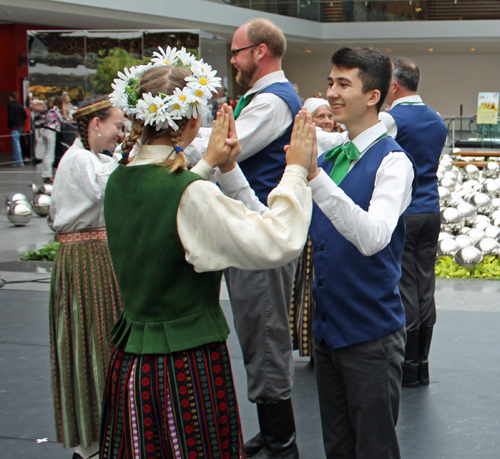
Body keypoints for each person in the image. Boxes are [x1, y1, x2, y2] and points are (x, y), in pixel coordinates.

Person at [100, 49, 314, 459]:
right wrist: (297, 170)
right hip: (184, 367)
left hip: (132, 366)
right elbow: (278, 240)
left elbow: (166, 209)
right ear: (193, 121)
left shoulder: (119, 180)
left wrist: (217, 166)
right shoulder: (189, 193)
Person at [185, 18, 303, 459]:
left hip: (259, 234)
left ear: (259, 51)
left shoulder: (272, 102)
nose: (232, 60)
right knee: (257, 331)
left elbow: (226, 150)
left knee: (265, 331)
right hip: (250, 233)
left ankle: (281, 442)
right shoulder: (266, 98)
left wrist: (174, 146)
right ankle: (273, 432)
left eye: (236, 51)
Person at [307, 47, 416, 459]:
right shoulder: (333, 156)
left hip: (371, 333)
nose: (331, 93)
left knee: (375, 449)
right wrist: (227, 172)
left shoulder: (394, 163)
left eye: (343, 84)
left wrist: (316, 178)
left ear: (373, 96)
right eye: (331, 82)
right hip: (328, 330)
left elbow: (373, 237)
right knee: (337, 447)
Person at [49, 94, 125, 459]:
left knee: (99, 339)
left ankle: (99, 435)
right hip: (85, 258)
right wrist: (129, 154)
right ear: (96, 124)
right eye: (117, 126)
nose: (120, 134)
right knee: (93, 341)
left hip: (92, 255)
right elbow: (104, 189)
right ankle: (93, 441)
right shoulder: (80, 158)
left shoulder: (85, 157)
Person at [380, 57, 448, 388]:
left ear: (395, 85)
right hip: (431, 209)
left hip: (405, 210)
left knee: (406, 285)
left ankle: (408, 364)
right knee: (425, 285)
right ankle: (421, 365)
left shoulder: (390, 119)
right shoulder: (437, 119)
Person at [36, 95, 65, 182]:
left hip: (45, 130)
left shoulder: (49, 110)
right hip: (51, 131)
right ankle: (47, 174)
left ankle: (45, 173)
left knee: (47, 153)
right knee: (50, 153)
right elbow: (62, 120)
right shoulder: (56, 110)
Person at [7, 91, 27, 167]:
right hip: (20, 126)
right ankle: (17, 158)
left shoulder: (10, 106)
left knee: (16, 143)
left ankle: (19, 160)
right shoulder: (20, 105)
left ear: (10, 97)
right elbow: (25, 116)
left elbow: (10, 117)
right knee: (17, 142)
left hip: (14, 126)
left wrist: (9, 124)